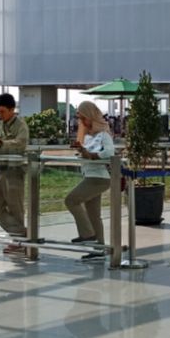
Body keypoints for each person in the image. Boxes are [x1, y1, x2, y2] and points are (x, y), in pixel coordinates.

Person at [65, 101, 115, 245]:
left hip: (99, 178)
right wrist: (82, 151)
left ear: (90, 116)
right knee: (94, 215)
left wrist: (92, 155)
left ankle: (87, 234)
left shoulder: (103, 134)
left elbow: (109, 152)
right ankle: (98, 247)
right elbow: (89, 152)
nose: (80, 122)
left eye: (83, 118)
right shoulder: (88, 136)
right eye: (79, 118)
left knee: (71, 200)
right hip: (91, 175)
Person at [0, 93, 29, 238]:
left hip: (14, 170)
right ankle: (20, 234)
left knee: (16, 207)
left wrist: (0, 142)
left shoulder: (21, 125)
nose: (0, 115)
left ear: (12, 110)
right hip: (0, 170)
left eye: (2, 111)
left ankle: (20, 240)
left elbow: (20, 143)